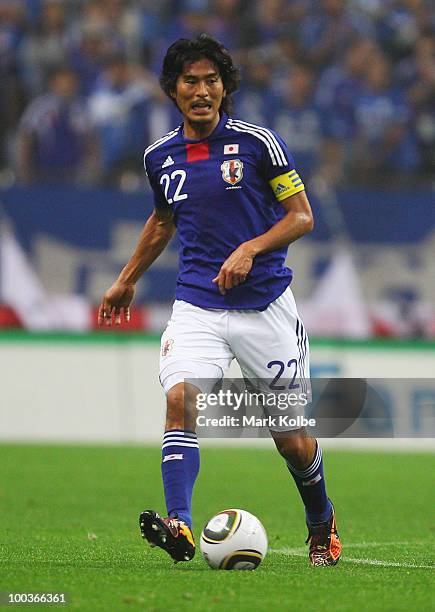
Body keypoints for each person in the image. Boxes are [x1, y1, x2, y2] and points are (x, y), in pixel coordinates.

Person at [98, 34, 342, 567]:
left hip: (265, 309)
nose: (202, 90)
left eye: (211, 80)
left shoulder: (259, 143)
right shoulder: (159, 157)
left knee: (292, 440)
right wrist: (127, 278)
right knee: (181, 400)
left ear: (225, 87)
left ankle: (322, 520)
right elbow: (163, 221)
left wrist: (250, 249)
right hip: (197, 307)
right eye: (191, 81)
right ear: (174, 90)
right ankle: (180, 524)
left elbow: (302, 216)